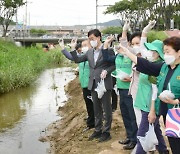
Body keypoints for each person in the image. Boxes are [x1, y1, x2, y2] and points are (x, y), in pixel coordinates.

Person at [119, 36, 180, 154]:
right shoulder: (164, 67)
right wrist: (127, 52)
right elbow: (146, 65)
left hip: (177, 111)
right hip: (169, 114)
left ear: (178, 52)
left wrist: (176, 101)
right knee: (174, 142)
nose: (165, 54)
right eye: (164, 51)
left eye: (168, 51)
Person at [70, 29, 115, 142]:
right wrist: (72, 48)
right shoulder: (89, 52)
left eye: (93, 39)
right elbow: (77, 59)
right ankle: (98, 129)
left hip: (104, 83)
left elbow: (114, 65)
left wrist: (107, 71)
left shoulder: (108, 50)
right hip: (93, 83)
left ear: (99, 37)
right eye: (89, 39)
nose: (91, 41)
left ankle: (106, 132)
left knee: (106, 108)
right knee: (96, 108)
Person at [102, 33, 138, 149]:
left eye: (125, 42)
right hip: (121, 89)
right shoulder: (118, 56)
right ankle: (129, 136)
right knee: (125, 114)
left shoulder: (133, 56)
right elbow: (107, 58)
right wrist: (106, 44)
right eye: (120, 42)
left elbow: (140, 71)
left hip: (130, 90)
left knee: (132, 115)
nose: (122, 44)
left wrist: (131, 78)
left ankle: (135, 140)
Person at [59, 38, 95, 131]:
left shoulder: (93, 56)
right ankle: (91, 121)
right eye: (82, 46)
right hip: (84, 84)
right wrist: (63, 47)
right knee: (89, 105)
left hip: (92, 84)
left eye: (85, 45)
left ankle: (93, 123)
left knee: (94, 105)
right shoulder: (81, 56)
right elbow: (71, 57)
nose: (83, 47)